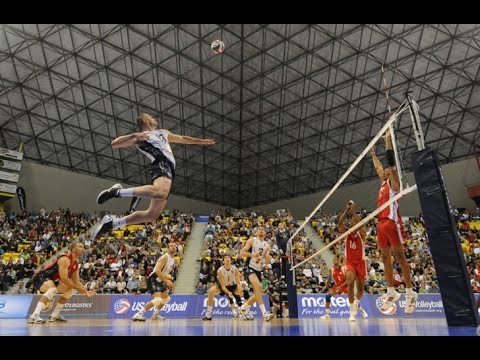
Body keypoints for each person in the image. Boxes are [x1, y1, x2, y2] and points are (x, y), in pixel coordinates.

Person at [92, 113, 215, 240]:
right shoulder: (140, 137)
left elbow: (182, 138)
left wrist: (201, 141)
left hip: (170, 170)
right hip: (160, 162)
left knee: (151, 216)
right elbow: (115, 144)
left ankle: (111, 224)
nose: (154, 118)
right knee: (160, 193)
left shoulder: (163, 132)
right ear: (145, 120)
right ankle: (117, 192)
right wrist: (135, 135)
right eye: (150, 116)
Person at [370, 129, 417, 314]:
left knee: (400, 257)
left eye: (387, 170)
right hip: (381, 223)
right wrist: (373, 154)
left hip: (392, 222)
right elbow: (378, 167)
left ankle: (410, 292)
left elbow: (390, 162)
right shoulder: (383, 182)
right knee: (384, 257)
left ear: (391, 172)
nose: (384, 171)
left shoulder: (393, 184)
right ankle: (391, 291)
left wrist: (387, 141)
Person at [28, 242, 96, 324]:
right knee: (52, 289)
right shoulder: (65, 259)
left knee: (70, 290)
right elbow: (64, 279)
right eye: (80, 246)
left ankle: (54, 315)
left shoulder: (75, 264)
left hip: (54, 280)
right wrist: (78, 288)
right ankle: (34, 316)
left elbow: (76, 282)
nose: (83, 248)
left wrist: (86, 291)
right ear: (74, 249)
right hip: (40, 277)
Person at [337, 200, 369, 321]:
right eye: (352, 221)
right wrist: (347, 210)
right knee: (350, 282)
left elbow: (359, 224)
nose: (353, 222)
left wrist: (354, 212)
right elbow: (340, 223)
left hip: (360, 263)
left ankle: (357, 302)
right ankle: (351, 312)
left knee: (360, 289)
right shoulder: (347, 232)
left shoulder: (362, 233)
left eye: (355, 221)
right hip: (350, 262)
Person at [131, 242, 176, 321]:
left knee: (166, 298)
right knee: (158, 300)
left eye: (175, 246)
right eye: (171, 246)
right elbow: (157, 271)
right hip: (153, 279)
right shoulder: (164, 257)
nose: (173, 247)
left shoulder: (173, 260)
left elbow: (164, 272)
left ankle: (155, 315)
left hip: (160, 280)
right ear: (168, 248)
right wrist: (166, 281)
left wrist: (168, 279)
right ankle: (138, 314)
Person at [239, 225, 274, 321]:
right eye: (259, 229)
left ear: (265, 233)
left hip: (258, 269)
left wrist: (267, 260)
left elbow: (267, 259)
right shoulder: (252, 240)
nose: (261, 230)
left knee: (258, 293)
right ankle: (265, 314)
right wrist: (252, 255)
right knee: (258, 286)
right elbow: (242, 253)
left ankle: (243, 307)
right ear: (256, 232)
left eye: (263, 229)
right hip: (249, 267)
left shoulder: (267, 245)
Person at [202, 255, 244, 320]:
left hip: (232, 285)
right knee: (211, 291)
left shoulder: (235, 269)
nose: (227, 259)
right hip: (223, 286)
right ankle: (209, 314)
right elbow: (223, 286)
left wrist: (240, 290)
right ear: (223, 261)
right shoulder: (220, 271)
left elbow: (238, 283)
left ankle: (245, 311)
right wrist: (228, 292)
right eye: (226, 258)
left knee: (244, 291)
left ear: (231, 260)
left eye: (229, 258)